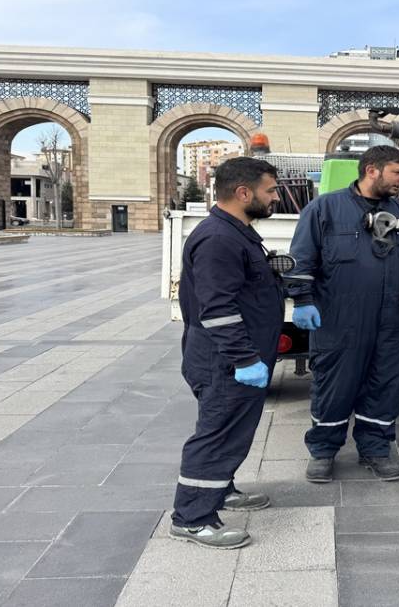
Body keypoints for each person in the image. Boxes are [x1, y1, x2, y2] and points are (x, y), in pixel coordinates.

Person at [288, 145, 399, 483]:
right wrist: (302, 300)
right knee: (334, 386)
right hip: (339, 318)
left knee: (386, 386)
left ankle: (376, 449)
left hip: (392, 319)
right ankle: (323, 451)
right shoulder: (325, 209)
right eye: (398, 173)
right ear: (372, 171)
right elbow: (302, 260)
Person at [170, 157, 284, 550]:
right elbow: (217, 309)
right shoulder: (219, 238)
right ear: (243, 192)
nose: (275, 197)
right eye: (270, 190)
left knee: (231, 430)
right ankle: (193, 518)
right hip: (224, 359)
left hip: (235, 355)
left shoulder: (238, 231)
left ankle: (221, 489)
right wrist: (244, 358)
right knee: (217, 433)